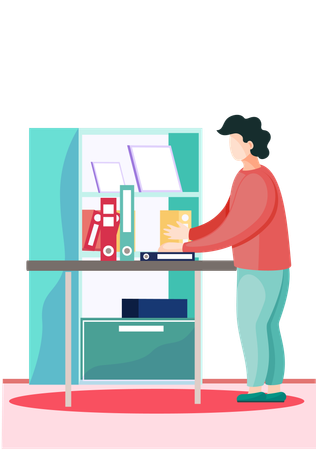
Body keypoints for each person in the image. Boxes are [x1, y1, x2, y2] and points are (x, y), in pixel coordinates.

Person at [159, 114, 293, 402]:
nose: (230, 147)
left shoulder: (258, 180)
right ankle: (274, 387)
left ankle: (258, 389)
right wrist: (193, 234)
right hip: (269, 265)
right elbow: (226, 217)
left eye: (234, 141)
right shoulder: (245, 176)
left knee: (252, 325)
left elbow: (240, 228)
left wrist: (188, 246)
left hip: (260, 266)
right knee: (268, 326)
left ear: (251, 143)